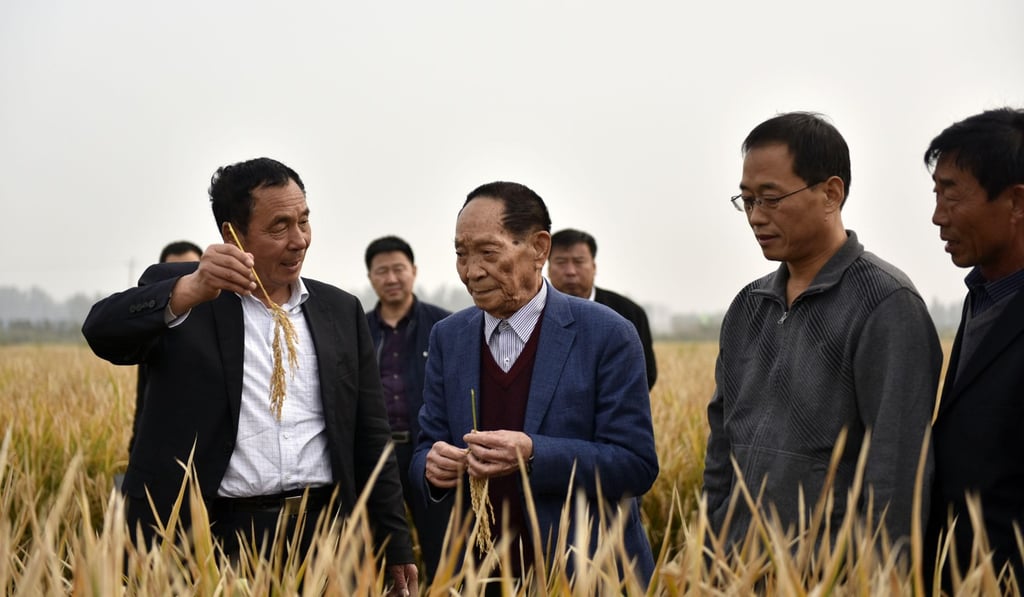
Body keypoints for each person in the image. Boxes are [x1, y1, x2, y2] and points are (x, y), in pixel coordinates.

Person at [82, 157, 417, 593]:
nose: (299, 240)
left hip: (325, 538)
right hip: (215, 539)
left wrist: (395, 543)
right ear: (232, 235)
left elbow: (371, 436)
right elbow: (101, 332)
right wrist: (188, 291)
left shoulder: (339, 310)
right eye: (279, 227)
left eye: (304, 221)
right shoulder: (191, 295)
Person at [703, 112, 942, 550]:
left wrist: (882, 574)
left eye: (771, 198)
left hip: (831, 569)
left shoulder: (886, 304)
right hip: (737, 564)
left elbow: (896, 467)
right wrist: (711, 542)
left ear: (831, 193)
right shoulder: (748, 306)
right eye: (747, 200)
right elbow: (722, 445)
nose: (756, 216)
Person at [409, 181, 659, 587]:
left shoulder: (607, 334)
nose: (471, 271)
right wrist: (431, 467)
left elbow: (635, 465)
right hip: (480, 576)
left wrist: (533, 454)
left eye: (488, 253)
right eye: (461, 254)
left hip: (581, 576)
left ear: (539, 248)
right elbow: (426, 445)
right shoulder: (448, 337)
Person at [923, 107, 1024, 586]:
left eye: (951, 194)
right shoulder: (981, 296)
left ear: (1016, 202)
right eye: (936, 194)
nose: (938, 216)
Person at [364, 235, 452, 579]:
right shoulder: (359, 329)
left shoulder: (443, 327)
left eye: (398, 269)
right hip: (376, 455)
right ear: (370, 277)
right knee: (380, 545)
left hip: (428, 452)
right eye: (381, 271)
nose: (391, 278)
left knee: (441, 540)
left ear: (413, 271)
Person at [547, 228, 658, 390]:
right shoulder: (534, 312)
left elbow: (645, 374)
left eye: (579, 261)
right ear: (548, 268)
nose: (570, 271)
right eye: (561, 262)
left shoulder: (628, 313)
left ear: (594, 267)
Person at [128, 240, 204, 457]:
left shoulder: (224, 328)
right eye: (174, 275)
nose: (184, 280)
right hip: (164, 455)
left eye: (191, 272)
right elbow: (145, 401)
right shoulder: (153, 334)